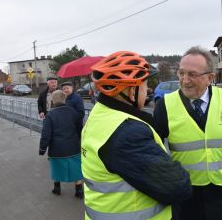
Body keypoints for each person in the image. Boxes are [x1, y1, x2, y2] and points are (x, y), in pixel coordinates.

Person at [81, 51, 192, 220]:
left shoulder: (100, 115)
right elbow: (177, 187)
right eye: (144, 84)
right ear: (129, 90)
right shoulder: (127, 133)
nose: (147, 89)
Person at [154, 46, 222, 220]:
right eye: (181, 73)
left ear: (210, 77)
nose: (185, 80)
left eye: (192, 75)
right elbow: (154, 154)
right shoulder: (164, 106)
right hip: (186, 197)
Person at [39, 90, 83, 198]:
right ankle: (79, 191)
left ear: (53, 100)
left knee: (56, 167)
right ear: (65, 99)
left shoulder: (50, 114)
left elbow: (46, 134)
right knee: (76, 168)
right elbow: (80, 129)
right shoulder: (73, 112)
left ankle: (57, 189)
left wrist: (42, 149)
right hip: (73, 147)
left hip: (57, 149)